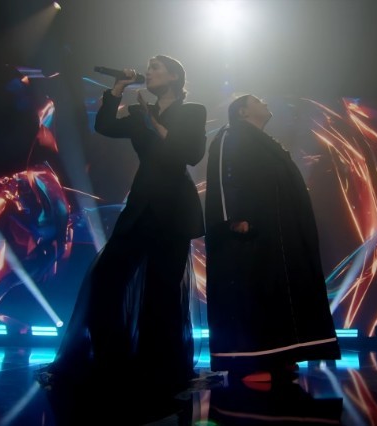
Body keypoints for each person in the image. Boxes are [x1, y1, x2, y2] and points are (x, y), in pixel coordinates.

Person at [41, 54, 207, 399]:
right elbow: (104, 126)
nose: (148, 72)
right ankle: (111, 358)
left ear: (174, 76)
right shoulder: (137, 112)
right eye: (148, 68)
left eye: (156, 68)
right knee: (106, 278)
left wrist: (153, 122)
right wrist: (117, 88)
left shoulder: (192, 111)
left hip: (174, 205)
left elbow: (190, 153)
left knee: (163, 289)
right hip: (141, 204)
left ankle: (160, 367)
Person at [204, 94, 341, 382]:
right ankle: (250, 363)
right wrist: (233, 217)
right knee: (253, 292)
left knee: (278, 292)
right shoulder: (231, 135)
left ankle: (281, 355)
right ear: (242, 112)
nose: (264, 103)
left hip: (277, 231)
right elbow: (223, 176)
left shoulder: (265, 142)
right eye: (257, 101)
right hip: (250, 228)